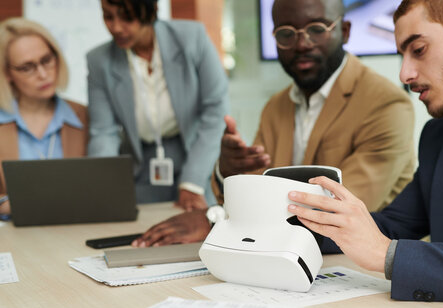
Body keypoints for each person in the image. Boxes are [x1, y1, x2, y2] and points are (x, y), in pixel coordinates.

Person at [287, 0, 443, 306]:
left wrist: (387, 254)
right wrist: (287, 222)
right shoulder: (439, 135)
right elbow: (390, 227)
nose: (405, 74)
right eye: (402, 56)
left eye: (418, 49)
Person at [132, 0, 416, 247]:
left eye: (317, 29)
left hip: (352, 268)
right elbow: (256, 188)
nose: (302, 44)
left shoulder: (386, 105)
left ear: (344, 31)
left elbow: (337, 209)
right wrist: (229, 172)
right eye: (286, 34)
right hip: (279, 256)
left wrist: (215, 218)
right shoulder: (276, 106)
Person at [87, 0, 228, 209]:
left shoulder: (192, 38)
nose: (116, 27)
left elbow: (216, 114)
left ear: (150, 12)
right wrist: (101, 185)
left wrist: (192, 183)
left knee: (200, 223)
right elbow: (103, 132)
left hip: (197, 153)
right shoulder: (99, 60)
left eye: (127, 18)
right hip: (141, 162)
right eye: (108, 16)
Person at [0, 18, 88, 216]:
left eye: (46, 60)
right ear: (7, 73)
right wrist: (8, 204)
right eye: (27, 67)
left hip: (75, 231)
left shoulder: (85, 117)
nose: (42, 74)